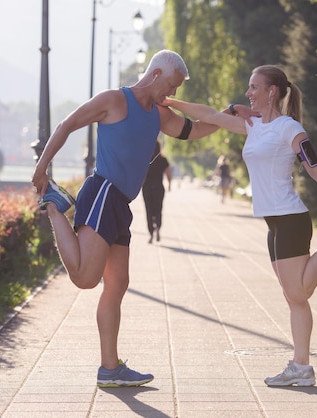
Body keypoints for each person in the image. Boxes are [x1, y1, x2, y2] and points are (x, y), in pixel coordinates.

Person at [31, 50, 255, 388]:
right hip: (103, 191)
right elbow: (68, 125)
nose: (173, 94)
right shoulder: (114, 100)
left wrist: (226, 116)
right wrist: (42, 167)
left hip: (121, 204)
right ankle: (53, 205)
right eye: (172, 86)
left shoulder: (159, 115)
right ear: (156, 74)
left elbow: (193, 131)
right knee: (85, 278)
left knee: (117, 284)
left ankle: (110, 368)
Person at [163, 64, 317, 387]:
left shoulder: (289, 128)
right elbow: (209, 115)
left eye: (254, 87)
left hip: (291, 219)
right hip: (274, 224)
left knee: (299, 292)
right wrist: (171, 103)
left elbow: (314, 167)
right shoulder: (253, 126)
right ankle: (301, 367)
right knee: (294, 298)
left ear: (271, 92)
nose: (248, 93)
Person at [142, 140, 172, 244]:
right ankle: (158, 228)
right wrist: (169, 184)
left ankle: (151, 233)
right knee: (158, 209)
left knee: (149, 210)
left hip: (147, 187)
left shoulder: (145, 159)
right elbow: (168, 173)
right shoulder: (163, 160)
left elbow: (139, 173)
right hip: (159, 187)